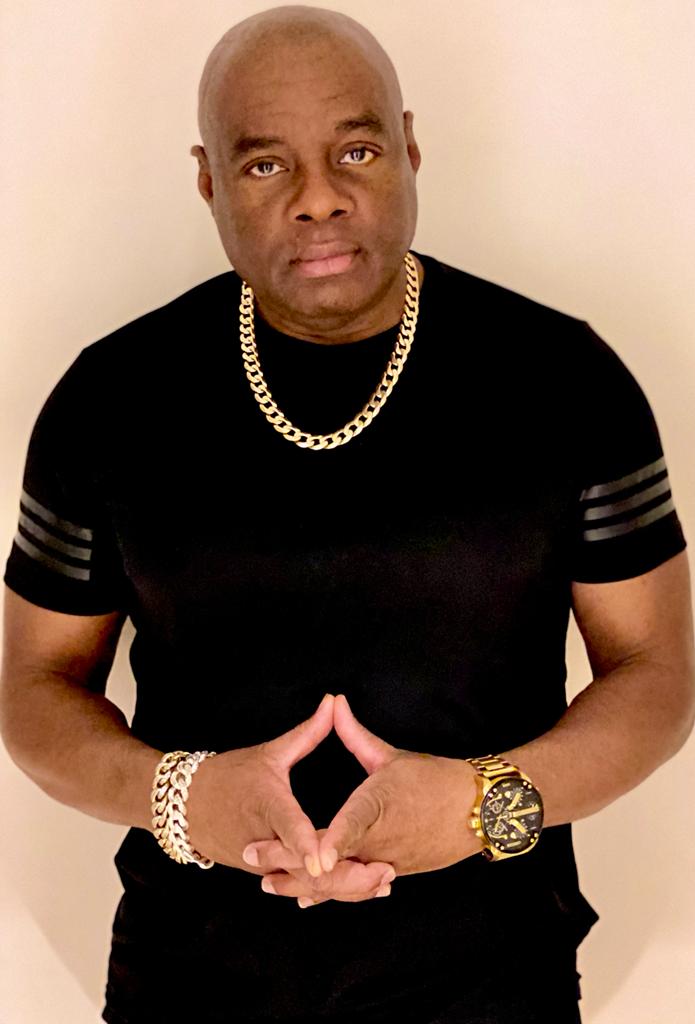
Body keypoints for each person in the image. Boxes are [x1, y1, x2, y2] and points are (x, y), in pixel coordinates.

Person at [1, 5, 693, 1022]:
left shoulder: (564, 382)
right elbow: (32, 683)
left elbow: (657, 672)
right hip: (186, 987)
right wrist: (184, 801)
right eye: (264, 165)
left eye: (356, 151)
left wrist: (477, 809)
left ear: (409, 148)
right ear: (208, 181)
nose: (319, 198)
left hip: (492, 985)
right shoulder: (109, 400)